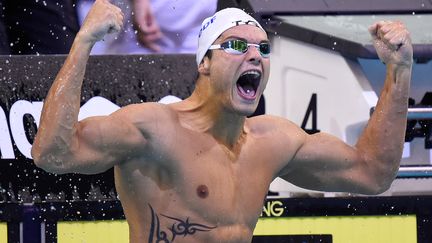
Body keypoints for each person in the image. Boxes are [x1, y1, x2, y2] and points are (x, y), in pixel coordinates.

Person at [31, 0, 413, 242]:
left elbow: (373, 174)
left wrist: (399, 72)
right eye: (234, 46)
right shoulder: (154, 130)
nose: (254, 56)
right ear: (204, 63)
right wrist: (83, 42)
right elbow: (52, 154)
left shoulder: (273, 141)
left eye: (263, 48)